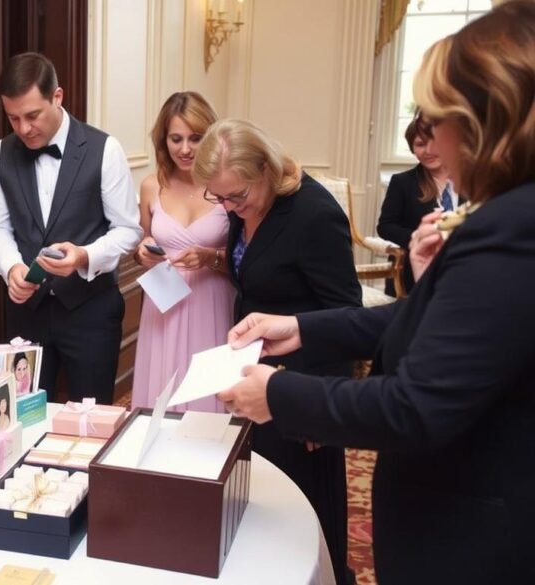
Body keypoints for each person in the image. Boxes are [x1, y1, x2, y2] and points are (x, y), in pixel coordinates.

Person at [218, 3, 535, 583]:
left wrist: (282, 396)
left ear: (484, 122)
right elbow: (421, 319)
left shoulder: (511, 229)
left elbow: (413, 408)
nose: (430, 137)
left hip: (470, 532)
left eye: (438, 117)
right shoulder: (505, 216)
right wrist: (302, 328)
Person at [192, 118, 361, 585]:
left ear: (265, 169)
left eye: (236, 196)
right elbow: (253, 272)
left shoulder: (314, 214)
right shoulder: (238, 203)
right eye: (219, 197)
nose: (228, 207)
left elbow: (345, 313)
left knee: (303, 515)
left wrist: (321, 403)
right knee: (261, 504)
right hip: (256, 377)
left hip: (303, 384)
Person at [0, 52, 141, 405]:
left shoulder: (104, 149)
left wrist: (85, 255)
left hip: (92, 312)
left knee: (91, 417)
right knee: (24, 416)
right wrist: (11, 267)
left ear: (58, 97)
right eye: (13, 118)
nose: (23, 129)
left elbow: (128, 229)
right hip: (27, 314)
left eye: (32, 115)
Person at [131, 92, 234, 412]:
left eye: (195, 138)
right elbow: (144, 243)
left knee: (208, 395)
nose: (185, 149)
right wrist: (142, 251)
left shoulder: (226, 185)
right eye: (176, 139)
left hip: (213, 300)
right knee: (163, 389)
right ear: (163, 140)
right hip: (164, 305)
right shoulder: (152, 185)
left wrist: (210, 257)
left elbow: (249, 257)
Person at [376, 111, 457, 295]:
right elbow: (385, 226)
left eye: (434, 143)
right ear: (413, 149)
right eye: (420, 144)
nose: (428, 150)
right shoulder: (402, 182)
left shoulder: (469, 181)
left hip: (461, 267)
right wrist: (421, 238)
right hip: (412, 275)